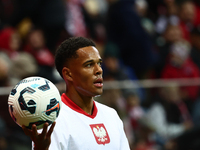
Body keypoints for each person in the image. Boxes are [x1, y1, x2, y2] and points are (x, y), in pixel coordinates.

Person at [22, 36, 130, 150]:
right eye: (89, 64)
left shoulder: (111, 115)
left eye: (99, 63)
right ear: (68, 74)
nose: (99, 70)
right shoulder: (52, 120)